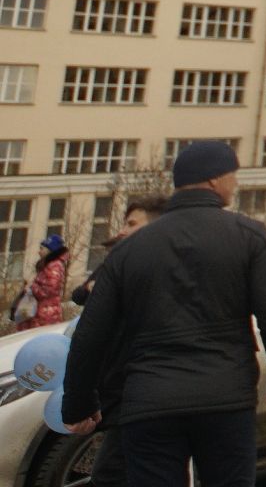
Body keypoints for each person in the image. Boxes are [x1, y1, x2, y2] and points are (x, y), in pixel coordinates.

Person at [61, 140, 266, 487]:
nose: (235, 184)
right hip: (225, 397)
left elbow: (91, 334)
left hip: (149, 401)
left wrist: (79, 405)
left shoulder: (129, 250)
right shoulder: (248, 235)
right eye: (233, 176)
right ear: (216, 180)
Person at [64, 195, 166, 487]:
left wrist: (79, 404)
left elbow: (90, 341)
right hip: (129, 401)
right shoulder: (120, 264)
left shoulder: (149, 277)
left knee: (113, 476)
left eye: (132, 224)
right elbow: (80, 295)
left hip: (138, 401)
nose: (122, 230)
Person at [16, 234, 70, 329]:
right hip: (42, 313)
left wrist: (32, 287)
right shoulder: (48, 265)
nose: (39, 251)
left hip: (46, 316)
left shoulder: (54, 266)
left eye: (42, 248)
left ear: (49, 250)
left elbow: (50, 290)